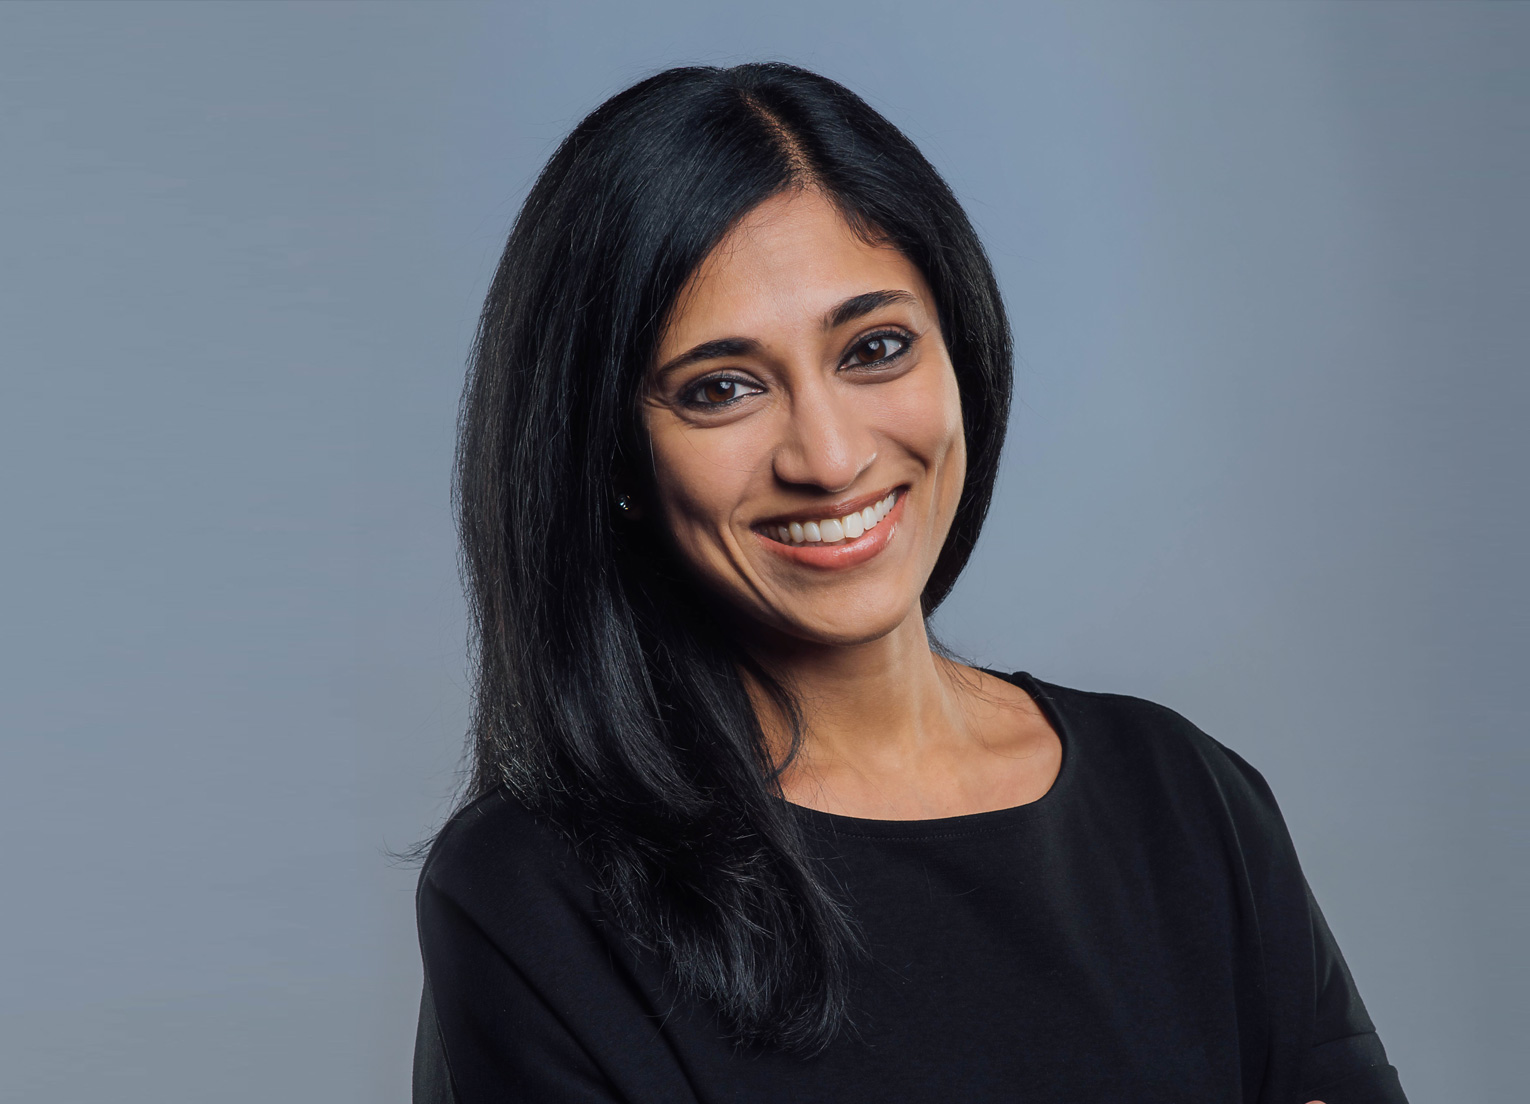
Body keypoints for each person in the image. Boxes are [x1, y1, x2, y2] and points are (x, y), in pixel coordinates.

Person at [412, 62, 1407, 1104]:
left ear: (958, 350)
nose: (830, 457)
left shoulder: (1187, 801)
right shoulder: (531, 897)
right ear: (612, 455)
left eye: (875, 348)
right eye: (722, 388)